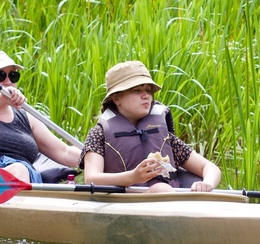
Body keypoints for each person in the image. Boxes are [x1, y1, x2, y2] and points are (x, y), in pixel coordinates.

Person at [80, 60, 221, 193]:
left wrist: (207, 183)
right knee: (160, 189)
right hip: (123, 201)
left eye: (148, 90)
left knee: (161, 188)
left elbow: (209, 167)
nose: (146, 95)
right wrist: (133, 177)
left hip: (165, 198)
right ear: (117, 99)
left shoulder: (164, 136)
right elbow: (91, 178)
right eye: (137, 90)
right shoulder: (99, 134)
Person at [0, 51, 81, 183]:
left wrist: (96, 156)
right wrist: (0, 99)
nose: (8, 82)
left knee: (20, 169)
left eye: (13, 76)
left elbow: (64, 152)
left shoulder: (27, 117)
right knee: (18, 169)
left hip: (24, 178)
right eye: (0, 75)